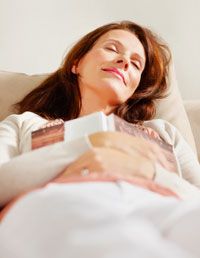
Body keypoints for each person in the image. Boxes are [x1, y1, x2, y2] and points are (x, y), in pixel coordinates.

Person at [1, 20, 200, 258]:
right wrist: (90, 145)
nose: (124, 61)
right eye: (112, 48)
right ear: (77, 63)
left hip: (160, 205)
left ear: (135, 88)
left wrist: (150, 172)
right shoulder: (26, 123)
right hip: (64, 201)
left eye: (136, 64)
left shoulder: (163, 132)